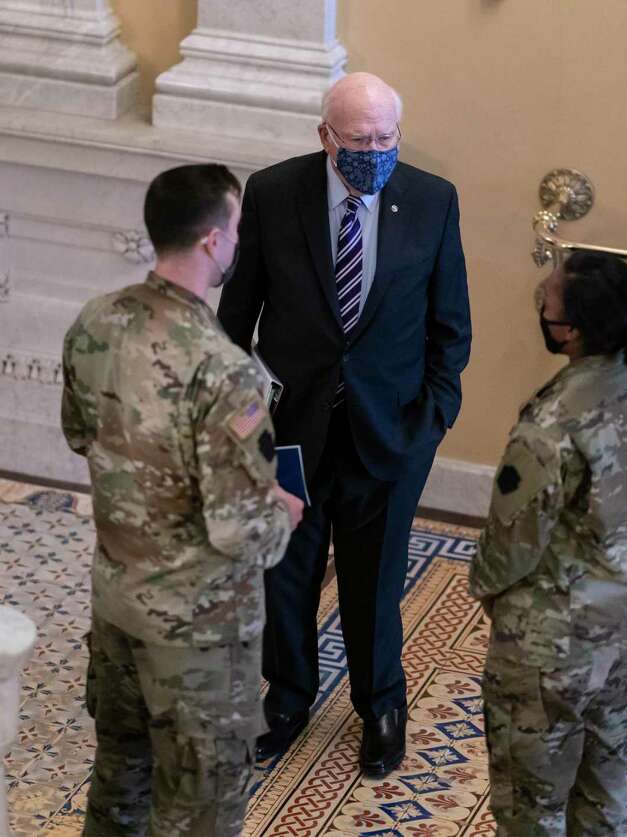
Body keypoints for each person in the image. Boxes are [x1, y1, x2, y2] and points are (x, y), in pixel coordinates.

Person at [217, 71, 472, 776]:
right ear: (325, 136)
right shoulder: (273, 193)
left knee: (375, 579)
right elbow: (233, 323)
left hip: (390, 433)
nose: (375, 151)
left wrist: (432, 421)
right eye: (360, 140)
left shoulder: (431, 200)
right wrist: (245, 426)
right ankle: (287, 698)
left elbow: (450, 330)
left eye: (387, 137)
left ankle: (381, 705)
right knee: (287, 572)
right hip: (288, 428)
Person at [61, 163, 304, 836]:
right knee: (200, 809)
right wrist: (281, 511)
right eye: (235, 227)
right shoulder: (224, 371)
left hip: (115, 604)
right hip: (197, 637)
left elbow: (80, 433)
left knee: (119, 787)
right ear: (212, 241)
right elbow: (238, 527)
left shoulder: (96, 321)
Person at [469, 250, 627, 836]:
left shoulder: (553, 418)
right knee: (605, 780)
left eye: (549, 296)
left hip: (554, 641)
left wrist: (491, 596)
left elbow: (513, 540)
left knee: (530, 805)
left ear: (571, 330)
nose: (540, 298)